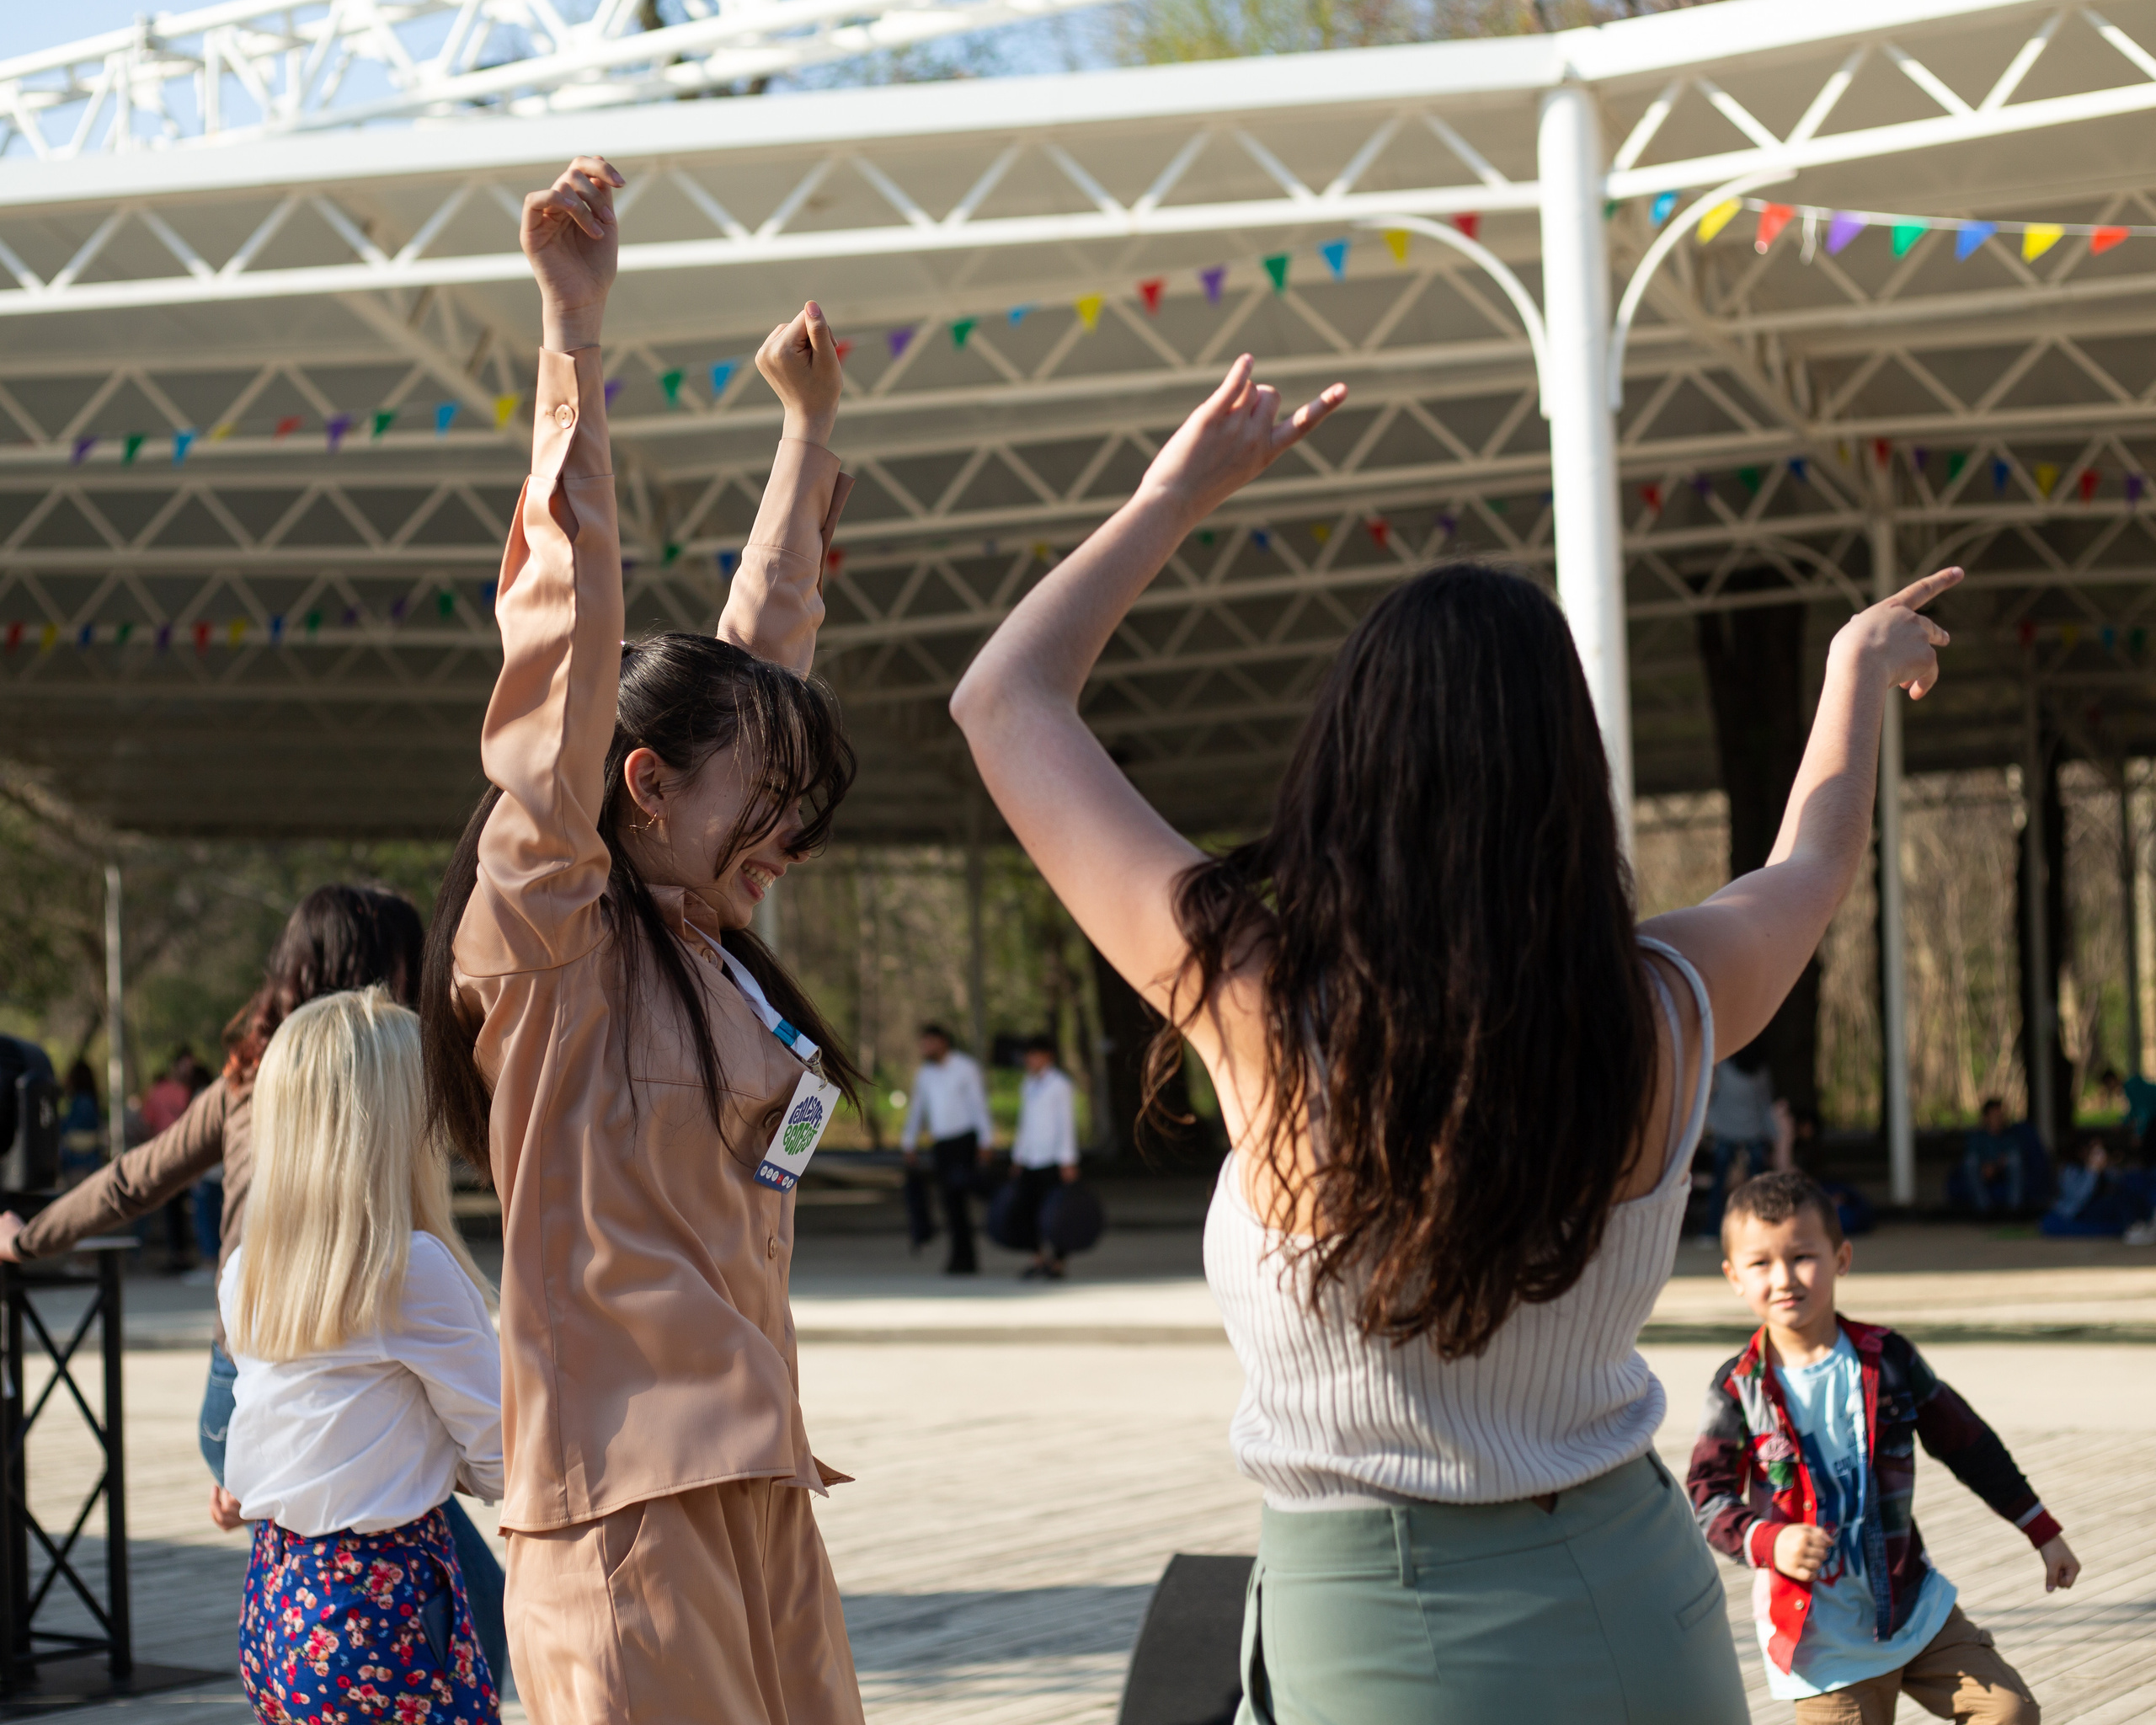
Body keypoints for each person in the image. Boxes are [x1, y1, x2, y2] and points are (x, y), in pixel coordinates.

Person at [948, 347, 1961, 1721]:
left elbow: (1005, 698)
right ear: (1569, 772)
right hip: (1642, 1589)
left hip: (1379, 1616)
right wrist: (1851, 664)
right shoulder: (1664, 1001)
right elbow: (1812, 863)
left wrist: (1172, 495)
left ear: (1350, 760)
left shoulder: (1254, 995)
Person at [419, 157, 866, 1724]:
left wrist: (806, 438)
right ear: (643, 785)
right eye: (766, 805)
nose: (786, 845)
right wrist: (573, 334)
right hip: (622, 1509)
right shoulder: (548, 936)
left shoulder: (707, 940)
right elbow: (563, 641)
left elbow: (766, 667)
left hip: (759, 1480)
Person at [0, 884, 510, 1689]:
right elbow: (501, 1455)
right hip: (368, 1575)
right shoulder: (410, 1258)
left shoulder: (252, 1089)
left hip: (280, 1572)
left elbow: (136, 1179)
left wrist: (27, 1237)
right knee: (480, 1617)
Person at [1691, 1172, 2076, 1722]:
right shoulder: (1739, 1388)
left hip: (1913, 1609)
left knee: (2009, 1713)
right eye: (1760, 1263)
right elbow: (1708, 1495)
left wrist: (2043, 1530)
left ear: (1841, 1258)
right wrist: (1766, 1539)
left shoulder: (1887, 1359)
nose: (1783, 1278)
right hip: (1822, 1646)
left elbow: (1968, 1443)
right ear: (1733, 1276)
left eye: (1803, 1256)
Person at [223, 988, 503, 1725]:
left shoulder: (245, 1272)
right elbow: (506, 1450)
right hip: (387, 1601)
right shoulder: (410, 1271)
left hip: (278, 1599)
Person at [900, 1023, 995, 1274]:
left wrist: (986, 1140)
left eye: (929, 1042)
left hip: (965, 1141)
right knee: (950, 1203)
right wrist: (909, 1141)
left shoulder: (965, 1067)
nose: (925, 1048)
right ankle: (961, 1258)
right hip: (942, 1144)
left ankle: (971, 1254)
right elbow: (918, 1110)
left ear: (942, 1042)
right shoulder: (925, 1075)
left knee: (966, 1195)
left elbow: (978, 1105)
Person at [1008, 1033, 1079, 1280]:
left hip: (1053, 1158)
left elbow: (1066, 1123)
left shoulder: (1060, 1084)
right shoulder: (1028, 1084)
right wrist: (1018, 1155)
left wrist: (1068, 1159)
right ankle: (1037, 1258)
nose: (1031, 1060)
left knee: (1056, 1212)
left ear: (1048, 1057)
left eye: (1035, 1055)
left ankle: (1058, 1261)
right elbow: (1024, 1123)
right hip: (1031, 1158)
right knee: (1028, 1209)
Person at [1700, 1048, 1775, 1240]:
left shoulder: (1723, 1067)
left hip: (1725, 1133)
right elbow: (1764, 1105)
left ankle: (1712, 1230)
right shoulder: (1761, 1071)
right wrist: (1772, 1135)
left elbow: (1710, 1096)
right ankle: (1763, 1230)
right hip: (1753, 1133)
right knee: (1760, 1189)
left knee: (1718, 1186)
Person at [1960, 1098, 2025, 1214]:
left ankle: (2013, 1210)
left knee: (2015, 1159)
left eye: (2000, 1116)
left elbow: (2014, 1153)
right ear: (1986, 1117)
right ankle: (1984, 1209)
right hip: (1983, 1172)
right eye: (1995, 1116)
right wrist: (1986, 1166)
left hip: (2002, 1171)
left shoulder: (2009, 1136)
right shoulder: (1977, 1137)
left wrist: (1996, 1166)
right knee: (1971, 1162)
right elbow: (1972, 1155)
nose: (1998, 1119)